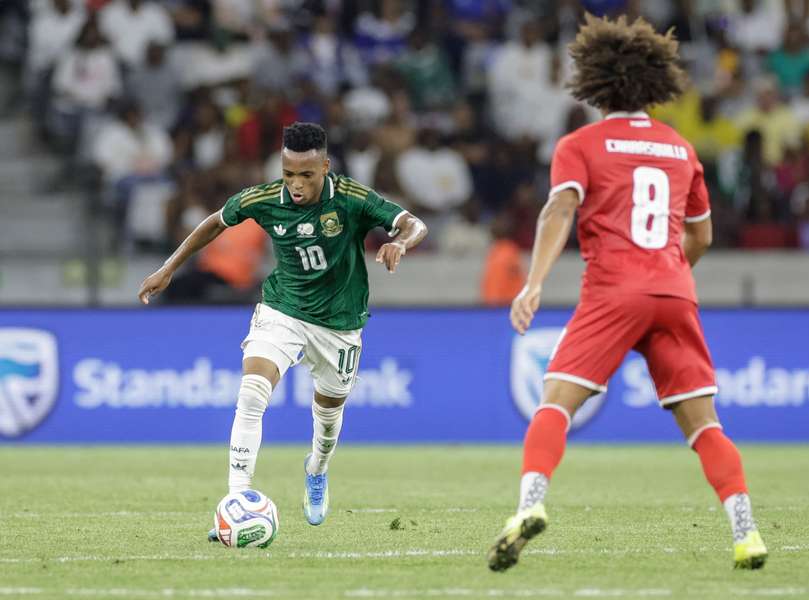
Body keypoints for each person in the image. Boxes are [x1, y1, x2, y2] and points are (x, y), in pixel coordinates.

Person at [487, 15, 768, 572]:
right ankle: (747, 533)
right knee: (705, 425)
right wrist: (667, 274)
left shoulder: (580, 144)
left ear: (594, 82)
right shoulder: (681, 149)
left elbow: (559, 208)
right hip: (674, 289)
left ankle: (528, 507)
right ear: (655, 84)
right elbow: (703, 234)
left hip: (613, 291)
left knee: (555, 404)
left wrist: (534, 283)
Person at [137, 122, 427, 537]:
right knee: (251, 393)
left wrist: (401, 242)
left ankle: (317, 469)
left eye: (306, 175)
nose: (295, 184)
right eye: (289, 172)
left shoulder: (350, 197)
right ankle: (236, 500)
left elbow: (414, 223)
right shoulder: (266, 198)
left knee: (327, 418)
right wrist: (168, 268)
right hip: (283, 311)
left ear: (325, 167)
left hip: (339, 325)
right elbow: (215, 222)